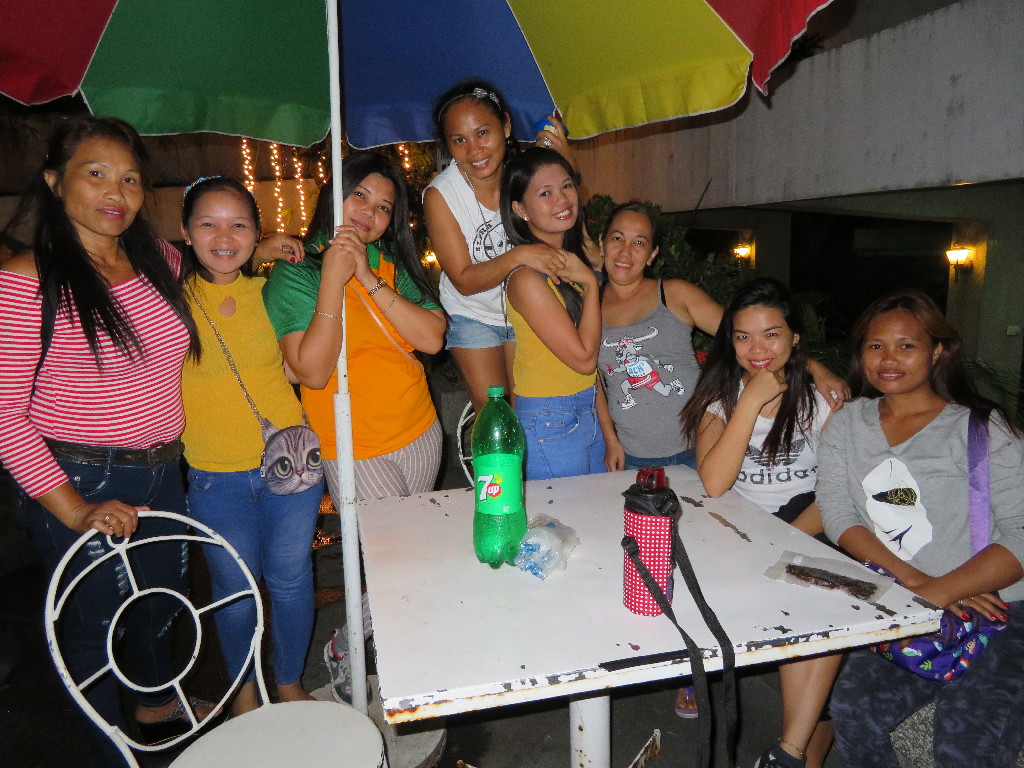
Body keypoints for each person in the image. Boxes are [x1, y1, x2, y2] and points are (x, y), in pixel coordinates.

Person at [0, 116, 211, 765]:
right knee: (94, 626)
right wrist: (75, 510)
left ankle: (154, 704)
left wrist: (266, 243)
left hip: (164, 470)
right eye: (95, 174)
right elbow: (6, 415)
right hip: (81, 478)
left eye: (130, 179)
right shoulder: (26, 279)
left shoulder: (156, 260)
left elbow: (213, 260)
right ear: (54, 181)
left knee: (161, 603)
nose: (116, 193)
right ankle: (110, 752)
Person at [262, 152, 445, 703]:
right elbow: (313, 370)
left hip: (420, 432)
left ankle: (393, 651)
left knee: (410, 557)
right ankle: (351, 648)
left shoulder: (387, 263)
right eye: (359, 195)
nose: (369, 212)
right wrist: (334, 279)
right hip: (354, 447)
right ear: (333, 194)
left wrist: (365, 275)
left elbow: (432, 338)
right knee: (399, 563)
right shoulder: (294, 274)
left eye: (384, 207)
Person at [818, 290, 1024, 768]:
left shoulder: (983, 428)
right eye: (875, 346)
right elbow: (838, 513)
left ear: (937, 352)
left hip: (1001, 608)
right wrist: (918, 589)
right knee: (853, 710)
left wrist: (942, 591)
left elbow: (1020, 533)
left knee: (965, 742)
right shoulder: (847, 424)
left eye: (906, 346)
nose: (888, 359)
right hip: (906, 599)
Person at [179, 177, 323, 715]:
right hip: (214, 477)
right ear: (185, 233)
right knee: (236, 591)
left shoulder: (272, 292)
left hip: (291, 464)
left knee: (291, 579)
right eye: (208, 224)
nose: (224, 237)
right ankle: (243, 692)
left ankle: (288, 681)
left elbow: (296, 368)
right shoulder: (168, 298)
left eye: (238, 225)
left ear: (257, 232)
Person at [680, 278, 838, 767]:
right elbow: (714, 483)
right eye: (743, 337)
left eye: (772, 334)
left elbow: (837, 494)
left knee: (819, 611)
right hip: (741, 529)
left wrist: (785, 540)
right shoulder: (720, 399)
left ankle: (792, 751)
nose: (757, 349)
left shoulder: (821, 402)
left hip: (808, 523)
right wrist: (748, 402)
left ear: (794, 338)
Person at [424, 80, 575, 414]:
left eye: (482, 133)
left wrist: (565, 160)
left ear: (505, 126)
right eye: (459, 140)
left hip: (526, 306)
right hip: (472, 313)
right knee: (496, 415)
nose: (474, 150)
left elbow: (565, 217)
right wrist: (519, 255)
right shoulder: (441, 195)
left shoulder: (525, 175)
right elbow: (464, 280)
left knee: (530, 409)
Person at [501, 147, 604, 480]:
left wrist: (608, 430)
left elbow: (589, 369)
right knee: (562, 515)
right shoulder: (526, 278)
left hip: (583, 408)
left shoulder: (567, 264)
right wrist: (591, 283)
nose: (562, 199)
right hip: (550, 419)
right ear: (520, 208)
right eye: (545, 193)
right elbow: (584, 359)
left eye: (566, 186)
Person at [598, 202, 722, 472]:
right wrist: (610, 439)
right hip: (631, 456)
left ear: (652, 254)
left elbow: (746, 337)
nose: (625, 251)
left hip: (699, 450)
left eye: (639, 242)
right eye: (617, 238)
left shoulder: (675, 294)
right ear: (602, 244)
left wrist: (810, 368)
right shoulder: (589, 306)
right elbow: (591, 381)